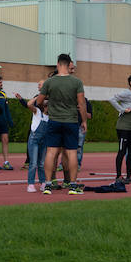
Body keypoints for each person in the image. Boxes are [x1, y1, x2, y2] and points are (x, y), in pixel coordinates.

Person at [35, 53, 88, 196]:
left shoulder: (49, 82)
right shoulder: (77, 82)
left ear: (58, 64)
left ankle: (47, 184)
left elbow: (38, 102)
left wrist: (48, 106)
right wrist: (83, 121)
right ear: (69, 64)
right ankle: (72, 185)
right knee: (71, 153)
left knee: (51, 152)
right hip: (71, 121)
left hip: (54, 121)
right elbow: (81, 103)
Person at [17, 81, 48, 192]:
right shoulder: (37, 112)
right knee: (33, 163)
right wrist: (37, 97)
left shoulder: (50, 116)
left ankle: (43, 182)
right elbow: (29, 105)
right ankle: (30, 184)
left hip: (44, 141)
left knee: (41, 163)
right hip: (34, 139)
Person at [70, 62, 92, 170]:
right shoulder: (71, 100)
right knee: (67, 146)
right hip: (71, 124)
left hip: (80, 126)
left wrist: (82, 110)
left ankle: (78, 164)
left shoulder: (86, 102)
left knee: (79, 146)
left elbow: (90, 116)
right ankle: (63, 164)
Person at [0, 75, 14, 169]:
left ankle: (6, 162)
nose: (2, 84)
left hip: (3, 122)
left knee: (5, 140)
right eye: (0, 82)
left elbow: (6, 110)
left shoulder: (3, 94)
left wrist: (10, 121)